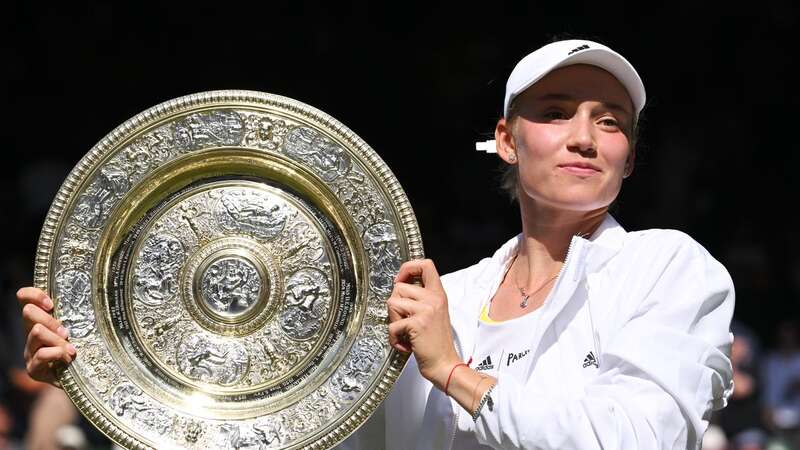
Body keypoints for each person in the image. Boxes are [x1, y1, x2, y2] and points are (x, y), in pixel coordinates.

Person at [17, 39, 735, 450]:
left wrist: (454, 371)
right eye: (555, 114)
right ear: (509, 142)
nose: (583, 136)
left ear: (630, 158)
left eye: (609, 122)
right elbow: (276, 439)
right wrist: (107, 383)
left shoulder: (666, 267)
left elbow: (642, 439)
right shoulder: (438, 297)